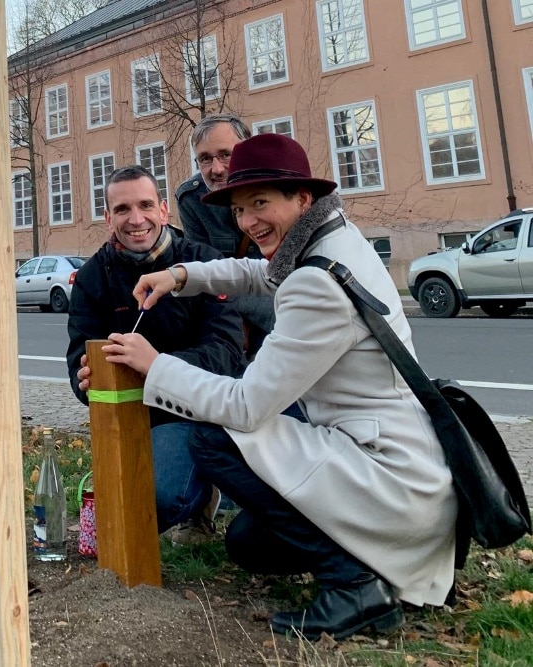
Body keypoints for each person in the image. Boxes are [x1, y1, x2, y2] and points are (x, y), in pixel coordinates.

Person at [105, 134, 457, 640]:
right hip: (398, 467)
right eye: (242, 209)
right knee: (250, 543)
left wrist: (154, 366)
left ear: (302, 199)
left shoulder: (317, 283)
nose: (248, 221)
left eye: (261, 203)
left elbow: (245, 406)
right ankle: (369, 567)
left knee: (213, 434)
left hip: (392, 481)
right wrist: (181, 274)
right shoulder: (333, 241)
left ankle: (356, 586)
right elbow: (258, 272)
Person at [66, 165, 246, 542]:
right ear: (108, 217)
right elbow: (79, 358)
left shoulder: (203, 265)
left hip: (197, 411)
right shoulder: (91, 278)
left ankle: (199, 498)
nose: (136, 220)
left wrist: (156, 365)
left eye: (146, 205)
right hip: (130, 414)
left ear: (164, 211)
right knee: (113, 521)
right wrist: (86, 378)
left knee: (159, 499)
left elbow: (227, 356)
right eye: (122, 209)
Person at [175, 114, 273, 357]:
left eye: (225, 155)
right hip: (236, 323)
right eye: (205, 159)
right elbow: (209, 275)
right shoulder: (192, 200)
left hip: (284, 312)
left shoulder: (279, 187)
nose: (216, 169)